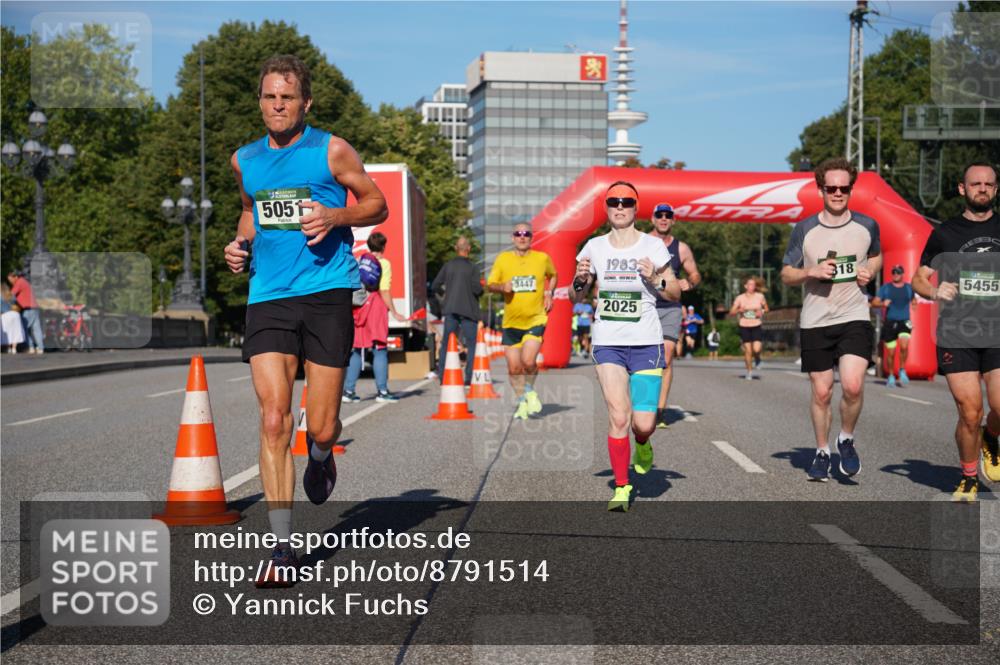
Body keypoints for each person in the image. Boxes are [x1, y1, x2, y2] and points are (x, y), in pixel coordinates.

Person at [223, 54, 387, 586]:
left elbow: (376, 203)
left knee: (320, 424)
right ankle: (281, 547)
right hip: (268, 295)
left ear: (304, 103)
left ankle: (321, 454)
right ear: (260, 101)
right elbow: (249, 211)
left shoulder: (330, 149)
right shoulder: (244, 160)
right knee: (274, 418)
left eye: (287, 97)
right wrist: (240, 245)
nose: (277, 105)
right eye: (270, 96)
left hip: (326, 294)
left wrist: (336, 215)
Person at [572, 181, 681, 511]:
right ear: (606, 208)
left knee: (643, 424)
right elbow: (575, 295)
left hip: (647, 342)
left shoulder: (653, 247)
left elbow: (674, 292)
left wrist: (656, 278)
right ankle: (621, 486)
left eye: (626, 202)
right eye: (613, 202)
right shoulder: (593, 247)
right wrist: (580, 281)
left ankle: (643, 444)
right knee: (619, 415)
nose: (619, 206)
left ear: (636, 208)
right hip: (608, 343)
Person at [780, 156, 881, 483]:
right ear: (820, 188)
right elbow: (785, 273)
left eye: (844, 188)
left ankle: (846, 439)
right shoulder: (805, 229)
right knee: (822, 392)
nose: (838, 193)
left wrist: (870, 271)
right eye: (831, 188)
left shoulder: (867, 225)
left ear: (851, 188)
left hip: (854, 315)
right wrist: (811, 270)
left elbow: (877, 256)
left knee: (852, 386)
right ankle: (822, 450)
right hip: (816, 319)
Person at [912, 161, 1000, 502]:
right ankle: (968, 477)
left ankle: (991, 437)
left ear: (995, 189)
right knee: (969, 411)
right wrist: (934, 291)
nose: (982, 188)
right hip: (957, 332)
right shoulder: (945, 233)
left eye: (988, 184)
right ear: (962, 189)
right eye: (975, 183)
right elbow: (920, 277)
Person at [486, 223, 557, 420]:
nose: (522, 237)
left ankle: (529, 391)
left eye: (526, 234)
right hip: (511, 322)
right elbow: (490, 285)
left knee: (528, 361)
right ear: (513, 237)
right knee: (514, 368)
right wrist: (502, 287)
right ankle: (522, 400)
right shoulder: (503, 259)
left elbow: (553, 275)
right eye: (518, 234)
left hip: (536, 318)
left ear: (531, 237)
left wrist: (549, 293)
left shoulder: (542, 258)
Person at [648, 202, 701, 428]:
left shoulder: (681, 248)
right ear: (652, 219)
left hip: (670, 307)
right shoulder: (642, 243)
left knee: (666, 358)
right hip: (645, 306)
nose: (663, 219)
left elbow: (695, 273)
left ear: (673, 220)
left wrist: (689, 282)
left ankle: (659, 411)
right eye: (659, 215)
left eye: (667, 215)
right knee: (640, 358)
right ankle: (643, 405)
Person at [344, 233, 405, 402]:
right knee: (379, 348)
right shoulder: (384, 264)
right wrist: (394, 311)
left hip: (359, 307)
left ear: (369, 246)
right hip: (375, 307)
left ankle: (348, 392)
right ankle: (382, 392)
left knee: (356, 349)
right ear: (383, 246)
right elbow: (384, 290)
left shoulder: (360, 261)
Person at [432, 235, 483, 385]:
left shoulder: (448, 266)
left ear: (456, 249)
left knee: (447, 344)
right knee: (472, 344)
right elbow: (477, 289)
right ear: (469, 249)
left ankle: (443, 377)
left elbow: (435, 285)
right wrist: (481, 289)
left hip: (451, 310)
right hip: (469, 311)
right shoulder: (473, 267)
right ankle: (469, 379)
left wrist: (444, 297)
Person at [873, 265, 916, 388]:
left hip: (904, 322)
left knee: (904, 346)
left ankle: (902, 369)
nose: (895, 274)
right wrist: (882, 303)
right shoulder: (885, 288)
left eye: (898, 272)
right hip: (890, 323)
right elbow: (874, 303)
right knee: (890, 353)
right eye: (893, 272)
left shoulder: (908, 288)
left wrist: (914, 305)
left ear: (903, 274)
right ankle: (891, 375)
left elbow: (914, 300)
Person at [730, 277, 769, 379]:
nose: (752, 286)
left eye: (753, 285)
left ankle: (757, 358)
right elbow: (732, 312)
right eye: (750, 284)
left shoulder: (760, 296)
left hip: (756, 325)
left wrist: (762, 312)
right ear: (745, 286)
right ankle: (749, 372)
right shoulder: (740, 298)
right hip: (744, 325)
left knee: (756, 349)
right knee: (748, 350)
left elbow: (767, 309)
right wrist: (739, 310)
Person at [6, 271, 44, 354]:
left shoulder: (19, 282)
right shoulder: (24, 281)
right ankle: (40, 348)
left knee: (24, 329)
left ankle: (31, 347)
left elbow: (11, 295)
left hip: (28, 309)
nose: (10, 282)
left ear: (15, 277)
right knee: (36, 329)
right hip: (34, 308)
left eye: (10, 279)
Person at [1, 281, 25, 353]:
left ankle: (8, 348)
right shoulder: (11, 295)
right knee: (15, 332)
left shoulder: (0, 296)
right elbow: (16, 303)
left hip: (5, 315)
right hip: (15, 314)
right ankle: (14, 348)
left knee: (8, 332)